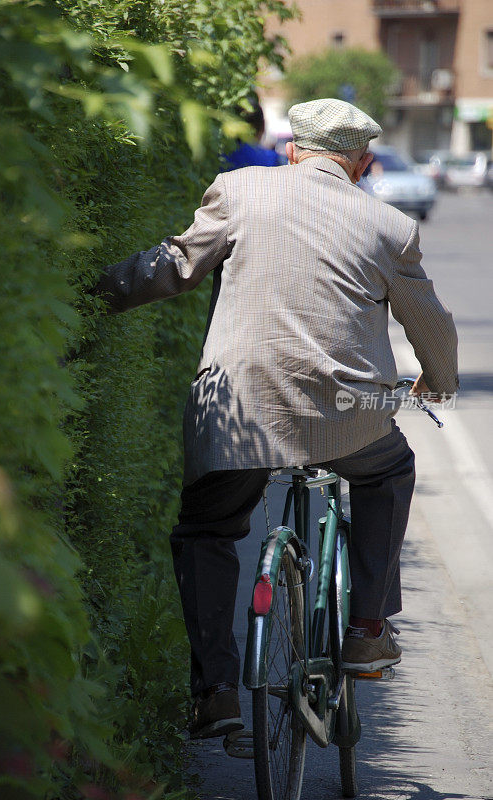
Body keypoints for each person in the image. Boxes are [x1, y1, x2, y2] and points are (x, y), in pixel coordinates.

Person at [94, 98, 458, 741]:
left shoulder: (239, 191)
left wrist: (89, 295)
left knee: (208, 529)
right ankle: (367, 631)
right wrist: (440, 381)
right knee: (389, 472)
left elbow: (176, 264)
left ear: (293, 150)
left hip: (240, 407)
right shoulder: (390, 226)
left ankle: (216, 696)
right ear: (364, 164)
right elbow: (429, 320)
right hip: (350, 414)